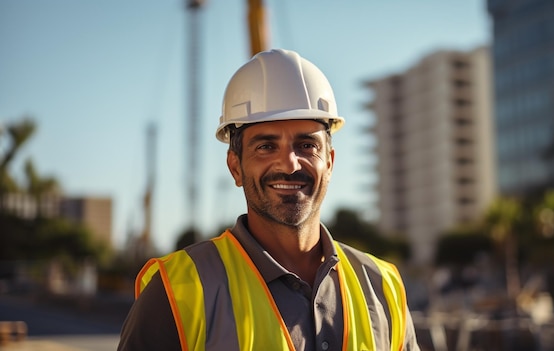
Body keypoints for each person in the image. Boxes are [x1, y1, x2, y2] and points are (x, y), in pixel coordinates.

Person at [117, 48, 420, 351]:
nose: (289, 164)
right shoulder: (176, 291)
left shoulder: (383, 287)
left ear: (329, 161)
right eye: (265, 146)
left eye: (306, 144)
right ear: (235, 167)